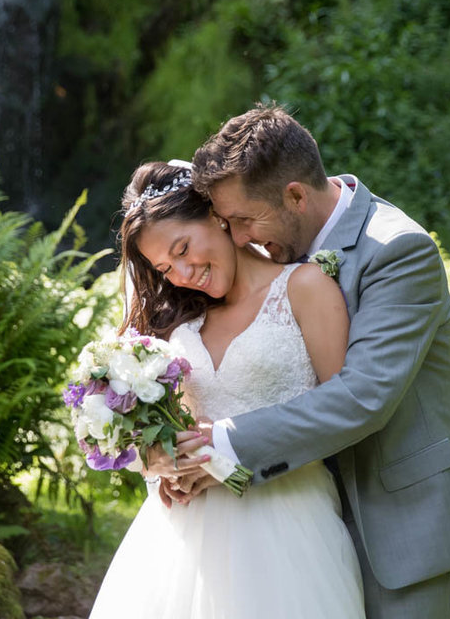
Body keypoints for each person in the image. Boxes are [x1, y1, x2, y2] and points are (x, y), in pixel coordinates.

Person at [151, 104, 450, 619]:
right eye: (227, 223)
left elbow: (364, 397)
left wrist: (218, 443)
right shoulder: (268, 260)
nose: (238, 238)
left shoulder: (398, 250)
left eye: (244, 220)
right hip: (291, 529)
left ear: (295, 195)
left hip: (397, 529)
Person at [88, 160, 366, 619]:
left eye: (183, 248)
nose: (181, 272)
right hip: (181, 537)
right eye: (164, 266)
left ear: (217, 216)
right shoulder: (181, 319)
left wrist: (223, 448)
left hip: (288, 523)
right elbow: (162, 420)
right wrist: (161, 462)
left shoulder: (305, 287)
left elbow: (342, 414)